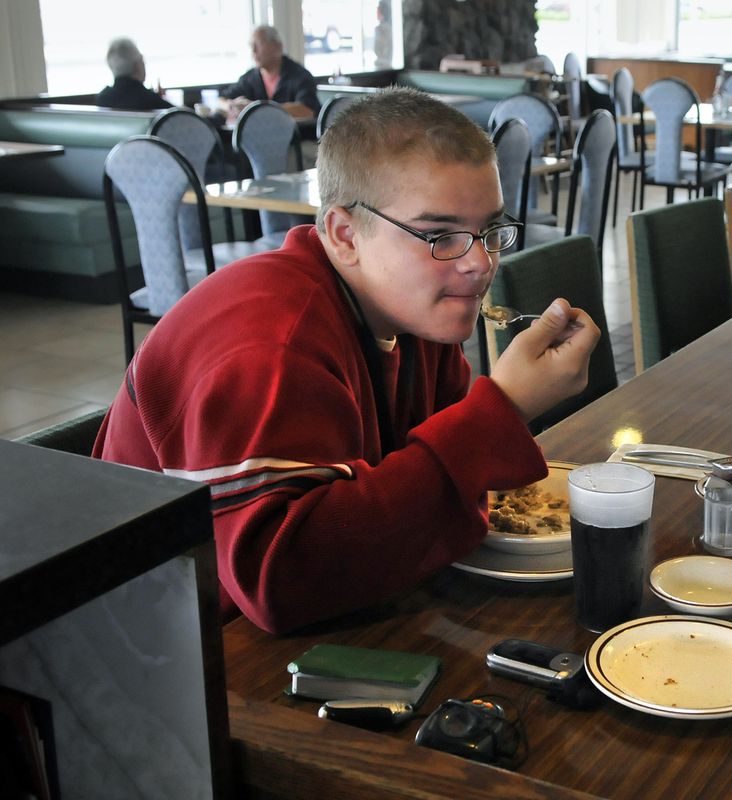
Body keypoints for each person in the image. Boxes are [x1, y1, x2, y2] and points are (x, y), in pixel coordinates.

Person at [93, 88, 601, 634]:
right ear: (344, 235)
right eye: (440, 235)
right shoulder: (270, 343)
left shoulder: (415, 314)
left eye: (489, 232)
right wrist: (503, 408)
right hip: (159, 651)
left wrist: (490, 421)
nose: (480, 262)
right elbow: (282, 580)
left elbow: (416, 488)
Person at [219, 25, 320, 120]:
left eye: (259, 44)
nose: (253, 50)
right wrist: (231, 105)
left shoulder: (300, 75)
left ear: (277, 46)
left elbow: (307, 110)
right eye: (251, 45)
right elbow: (221, 100)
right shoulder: (250, 78)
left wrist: (256, 108)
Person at [97, 38, 173, 112]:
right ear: (137, 65)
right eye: (142, 60)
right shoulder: (150, 100)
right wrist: (162, 99)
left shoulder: (103, 98)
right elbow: (181, 117)